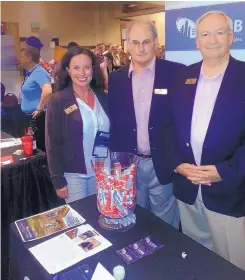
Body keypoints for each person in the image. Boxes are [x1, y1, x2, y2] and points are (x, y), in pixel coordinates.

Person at [169, 11, 245, 273]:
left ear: (231, 37)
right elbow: (169, 127)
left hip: (229, 189)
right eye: (205, 34)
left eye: (219, 32)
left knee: (233, 268)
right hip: (189, 187)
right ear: (196, 41)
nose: (212, 39)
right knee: (197, 259)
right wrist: (177, 164)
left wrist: (222, 172)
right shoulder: (183, 77)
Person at [108, 20, 186, 228]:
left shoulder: (176, 73)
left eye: (146, 42)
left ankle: (165, 260)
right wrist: (116, 163)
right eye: (135, 42)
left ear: (156, 43)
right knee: (135, 219)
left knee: (165, 224)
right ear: (127, 45)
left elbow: (184, 121)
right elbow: (115, 124)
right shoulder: (116, 79)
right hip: (130, 164)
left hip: (162, 163)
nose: (141, 48)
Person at [46, 46, 109, 203]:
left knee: (102, 217)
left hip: (103, 172)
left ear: (93, 70)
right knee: (81, 221)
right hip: (74, 176)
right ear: (67, 70)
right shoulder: (58, 100)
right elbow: (52, 143)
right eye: (76, 67)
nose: (82, 73)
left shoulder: (103, 97)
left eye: (86, 67)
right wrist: (57, 181)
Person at [19, 46, 52, 128]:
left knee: (37, 140)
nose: (20, 60)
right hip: (30, 117)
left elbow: (47, 91)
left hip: (37, 117)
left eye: (21, 57)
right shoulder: (30, 73)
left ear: (29, 58)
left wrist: (39, 109)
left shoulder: (39, 72)